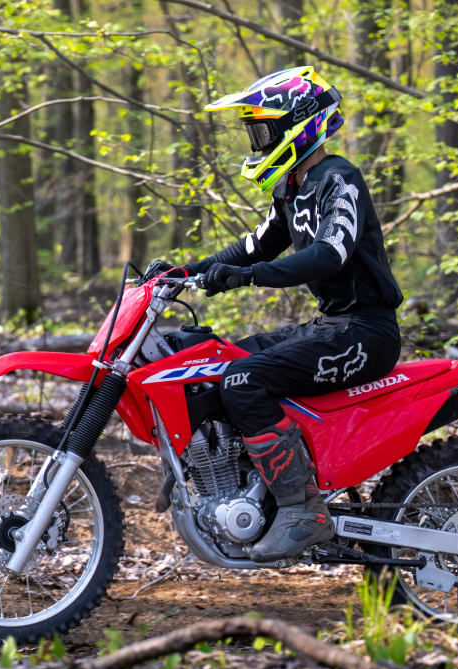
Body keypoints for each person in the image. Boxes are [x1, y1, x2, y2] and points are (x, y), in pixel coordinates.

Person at [160, 66, 403, 563]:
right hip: (331, 325)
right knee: (216, 365)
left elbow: (329, 253)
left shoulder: (340, 179)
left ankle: (302, 510)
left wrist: (251, 277)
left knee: (243, 382)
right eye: (255, 131)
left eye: (263, 129)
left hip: (366, 331)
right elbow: (250, 247)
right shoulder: (290, 189)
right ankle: (240, 487)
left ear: (299, 124)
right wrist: (184, 272)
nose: (258, 139)